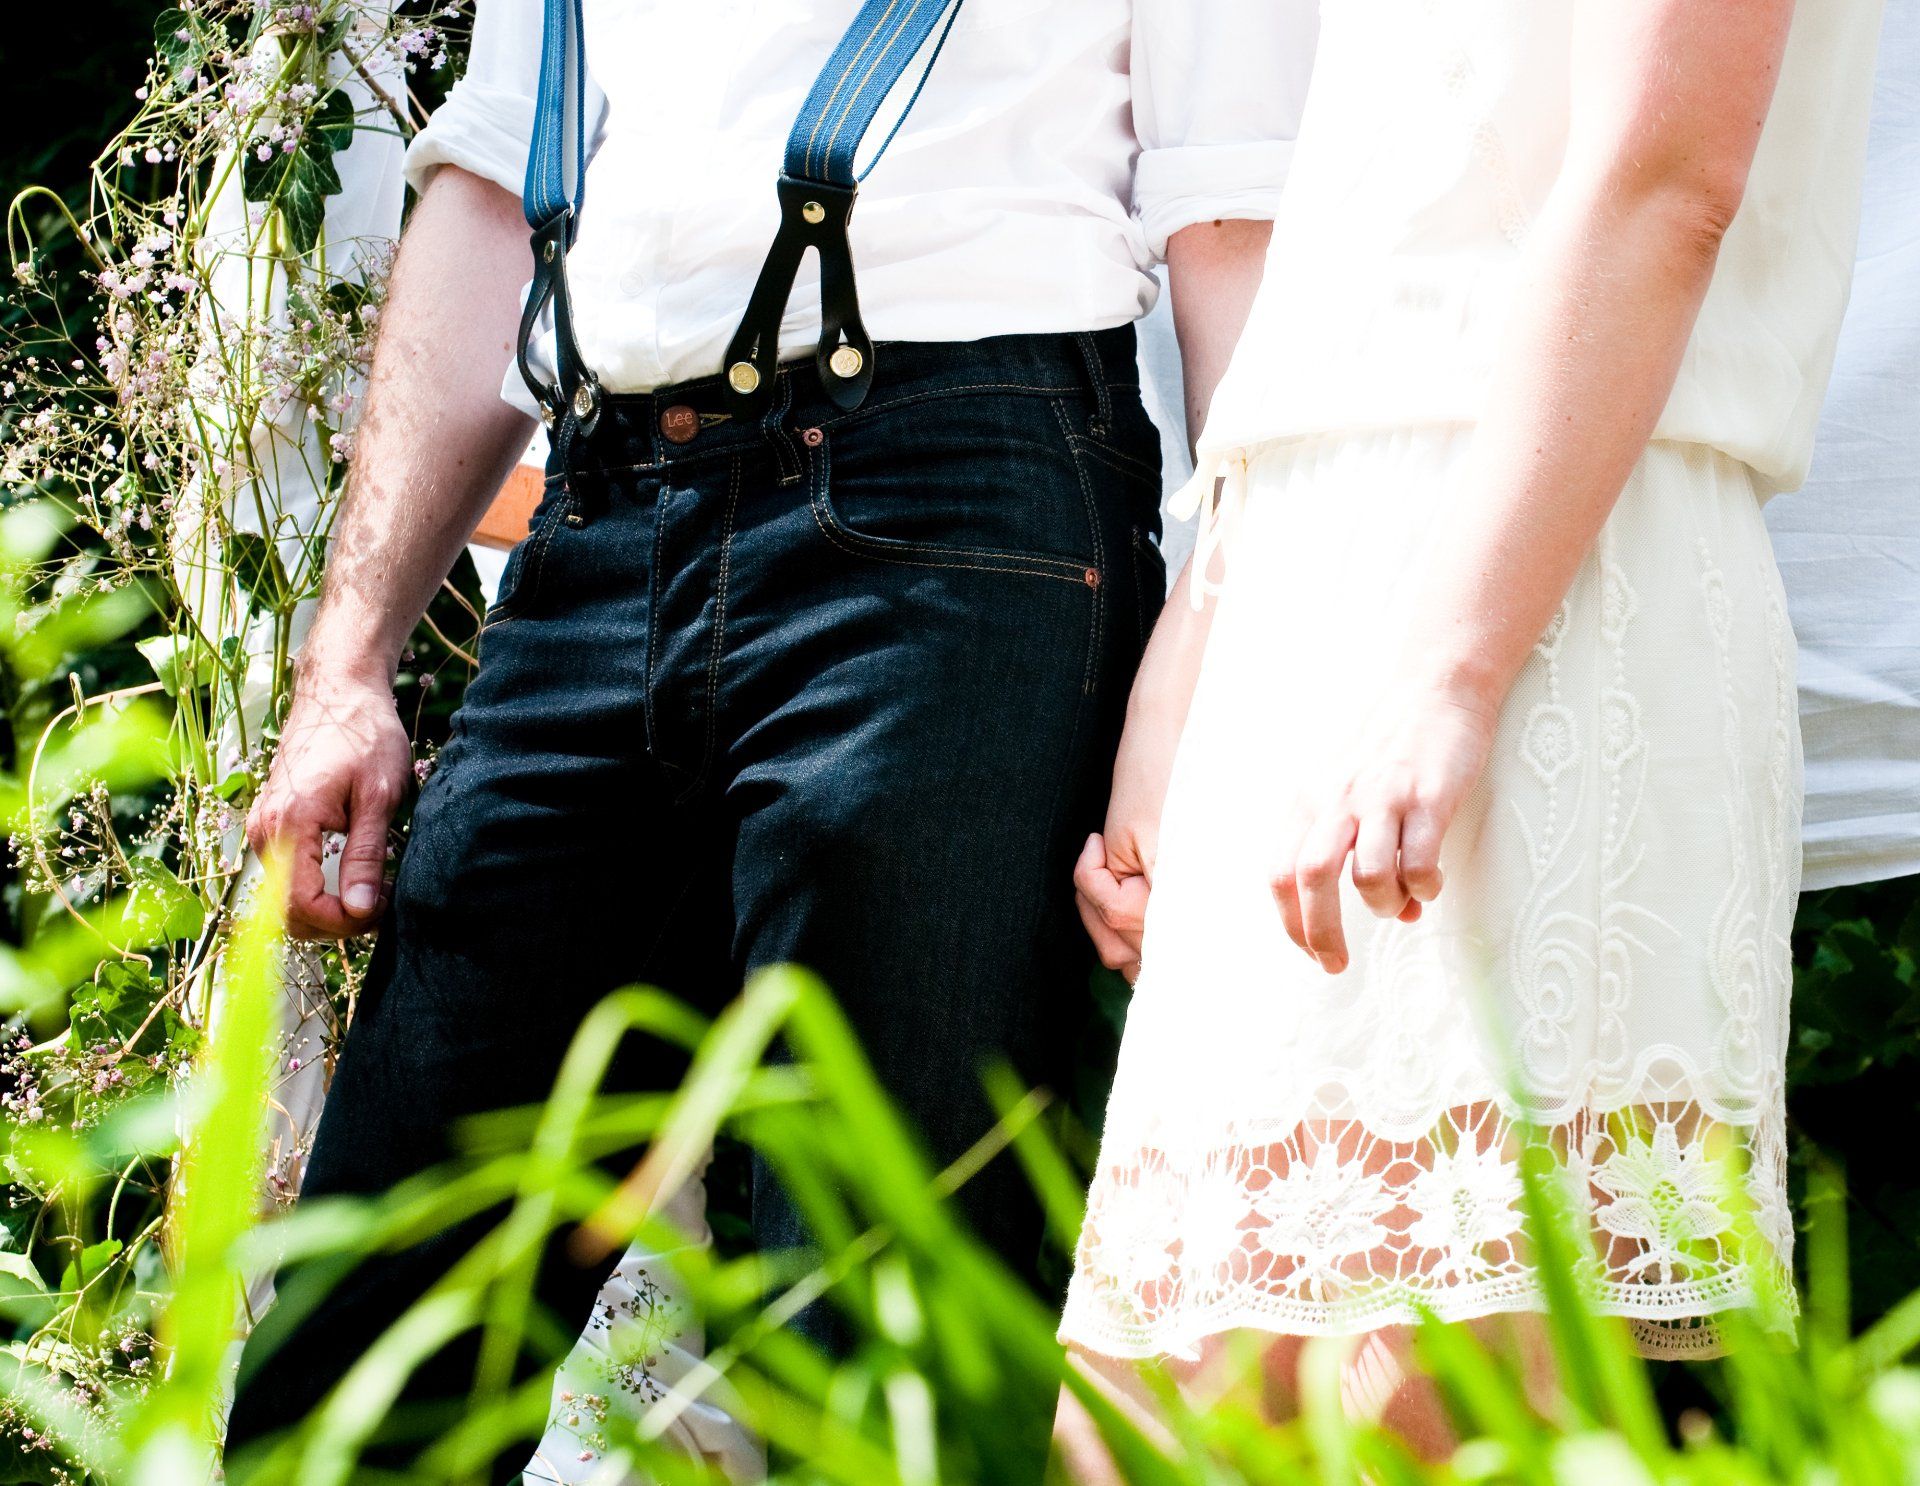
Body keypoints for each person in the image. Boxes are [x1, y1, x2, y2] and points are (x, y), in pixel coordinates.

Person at [224, 0, 1317, 1478]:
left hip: (951, 523)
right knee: (358, 1375)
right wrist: (347, 663)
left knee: (879, 1356)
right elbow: (492, 178)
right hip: (598, 519)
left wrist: (1217, 643)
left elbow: (1233, 205)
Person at [1061, 0, 1884, 1465]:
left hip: (1548, 597)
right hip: (1321, 588)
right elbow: (1378, 221)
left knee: (1435, 1401)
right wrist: (1202, 634)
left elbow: (1666, 180)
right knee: (1162, 1409)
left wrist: (1449, 675)